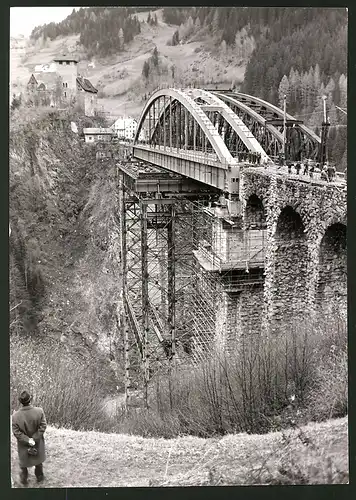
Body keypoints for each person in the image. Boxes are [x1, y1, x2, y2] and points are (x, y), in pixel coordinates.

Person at [12, 391, 47, 486]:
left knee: (23, 464)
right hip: (37, 443)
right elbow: (43, 426)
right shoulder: (39, 411)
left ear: (21, 402)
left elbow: (17, 432)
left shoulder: (15, 416)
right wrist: (34, 439)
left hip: (24, 445)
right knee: (38, 462)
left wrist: (28, 440)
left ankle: (23, 481)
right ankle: (40, 477)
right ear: (30, 400)